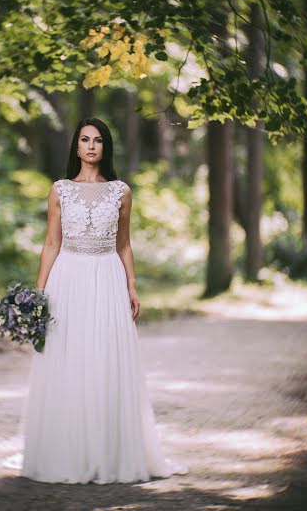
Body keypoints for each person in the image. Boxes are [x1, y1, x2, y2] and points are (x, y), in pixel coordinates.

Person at [20, 117, 188, 484]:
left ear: (105, 147)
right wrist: (39, 291)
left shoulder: (121, 191)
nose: (91, 146)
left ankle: (107, 450)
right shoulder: (59, 190)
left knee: (105, 358)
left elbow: (124, 243)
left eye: (98, 140)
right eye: (85, 139)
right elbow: (51, 243)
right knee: (70, 358)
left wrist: (132, 285)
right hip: (69, 276)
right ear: (76, 146)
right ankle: (68, 450)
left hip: (108, 275)